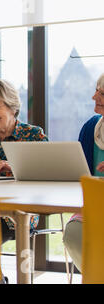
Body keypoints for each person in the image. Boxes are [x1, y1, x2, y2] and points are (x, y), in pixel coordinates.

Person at [0, 79, 48, 283]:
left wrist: (14, 167)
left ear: (12, 107)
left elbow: (48, 172)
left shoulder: (34, 135)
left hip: (22, 209)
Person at [63, 74, 104, 272]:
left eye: (102, 93)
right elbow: (78, 171)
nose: (94, 96)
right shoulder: (90, 128)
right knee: (74, 232)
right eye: (97, 89)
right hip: (95, 205)